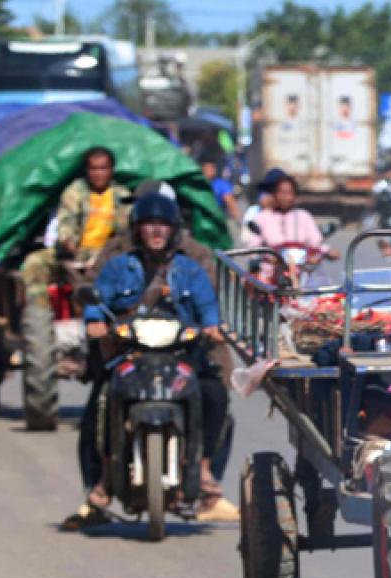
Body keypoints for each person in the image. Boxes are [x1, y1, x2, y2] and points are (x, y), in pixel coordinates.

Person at [64, 191, 237, 529]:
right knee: (100, 403)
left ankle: (202, 471)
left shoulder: (191, 267)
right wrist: (95, 320)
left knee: (214, 394)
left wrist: (213, 327)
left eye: (162, 224)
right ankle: (99, 486)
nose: (156, 231)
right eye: (148, 224)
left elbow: (207, 308)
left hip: (181, 353)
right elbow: (96, 300)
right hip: (130, 353)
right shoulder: (117, 263)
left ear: (174, 229)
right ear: (136, 228)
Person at [21, 147, 131, 361]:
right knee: (35, 263)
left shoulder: (122, 195)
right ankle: (41, 318)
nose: (98, 174)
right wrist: (69, 244)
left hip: (108, 255)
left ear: (111, 170)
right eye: (94, 169)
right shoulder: (75, 192)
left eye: (103, 168)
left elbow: (126, 232)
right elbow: (66, 224)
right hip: (76, 254)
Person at [201, 154, 239, 221]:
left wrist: (236, 216)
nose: (211, 170)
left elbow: (230, 201)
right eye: (208, 168)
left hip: (218, 220)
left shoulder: (221, 184)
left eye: (212, 167)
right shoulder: (199, 185)